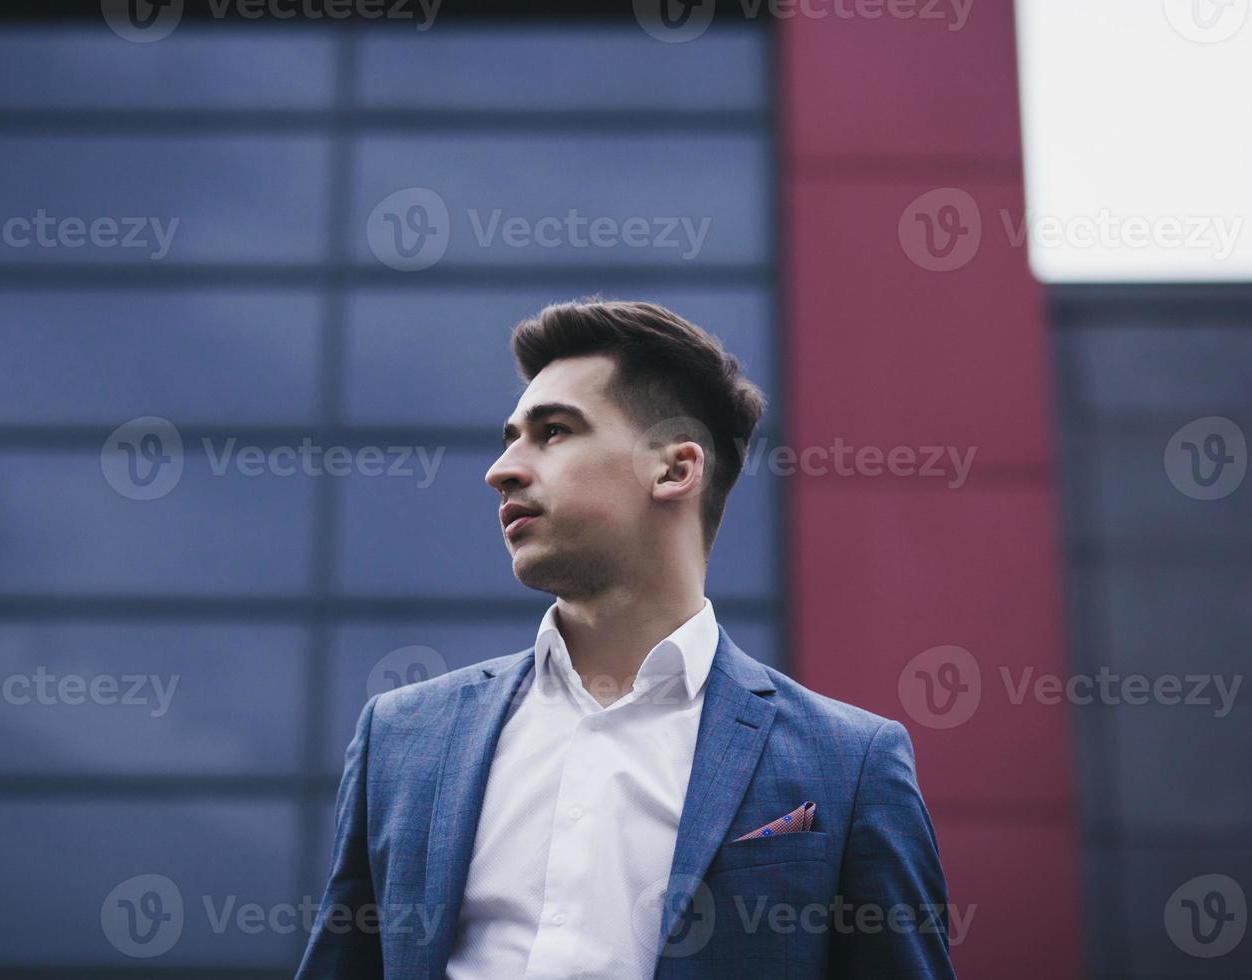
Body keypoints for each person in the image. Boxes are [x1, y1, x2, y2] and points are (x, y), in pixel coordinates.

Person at [297, 299, 954, 978]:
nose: (502, 469)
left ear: (673, 470)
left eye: (552, 432)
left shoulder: (849, 764)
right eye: (510, 437)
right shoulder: (402, 738)